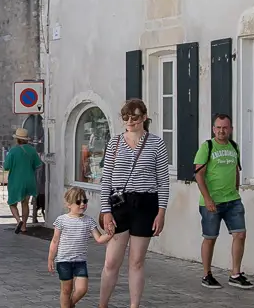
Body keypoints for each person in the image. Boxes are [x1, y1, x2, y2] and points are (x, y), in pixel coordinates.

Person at [96, 98, 170, 308]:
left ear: (144, 117)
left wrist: (161, 211)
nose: (130, 121)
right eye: (126, 117)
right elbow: (106, 178)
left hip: (146, 202)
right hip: (120, 202)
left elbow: (163, 180)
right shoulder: (115, 142)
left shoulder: (156, 143)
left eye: (135, 117)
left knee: (137, 261)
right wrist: (106, 210)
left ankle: (134, 306)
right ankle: (103, 305)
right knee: (111, 261)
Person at [193, 113, 252, 289]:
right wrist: (208, 198)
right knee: (210, 238)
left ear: (231, 129)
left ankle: (235, 273)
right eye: (218, 127)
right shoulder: (207, 147)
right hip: (212, 202)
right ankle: (206, 274)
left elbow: (236, 169)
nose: (221, 131)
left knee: (240, 234)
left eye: (225, 127)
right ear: (213, 129)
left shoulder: (234, 146)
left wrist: (236, 187)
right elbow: (199, 175)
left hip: (233, 200)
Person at [47, 187, 111, 308]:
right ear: (69, 204)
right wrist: (50, 258)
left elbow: (99, 239)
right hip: (63, 261)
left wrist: (110, 234)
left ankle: (69, 305)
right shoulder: (61, 220)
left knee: (82, 289)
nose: (82, 204)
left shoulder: (89, 221)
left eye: (84, 201)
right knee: (66, 290)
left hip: (80, 262)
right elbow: (55, 241)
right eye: (78, 202)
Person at [2, 127, 42, 233]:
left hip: (16, 181)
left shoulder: (13, 151)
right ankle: (24, 226)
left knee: (12, 203)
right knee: (25, 203)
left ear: (17, 139)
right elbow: (38, 165)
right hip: (29, 180)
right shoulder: (32, 150)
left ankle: (18, 220)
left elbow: (6, 167)